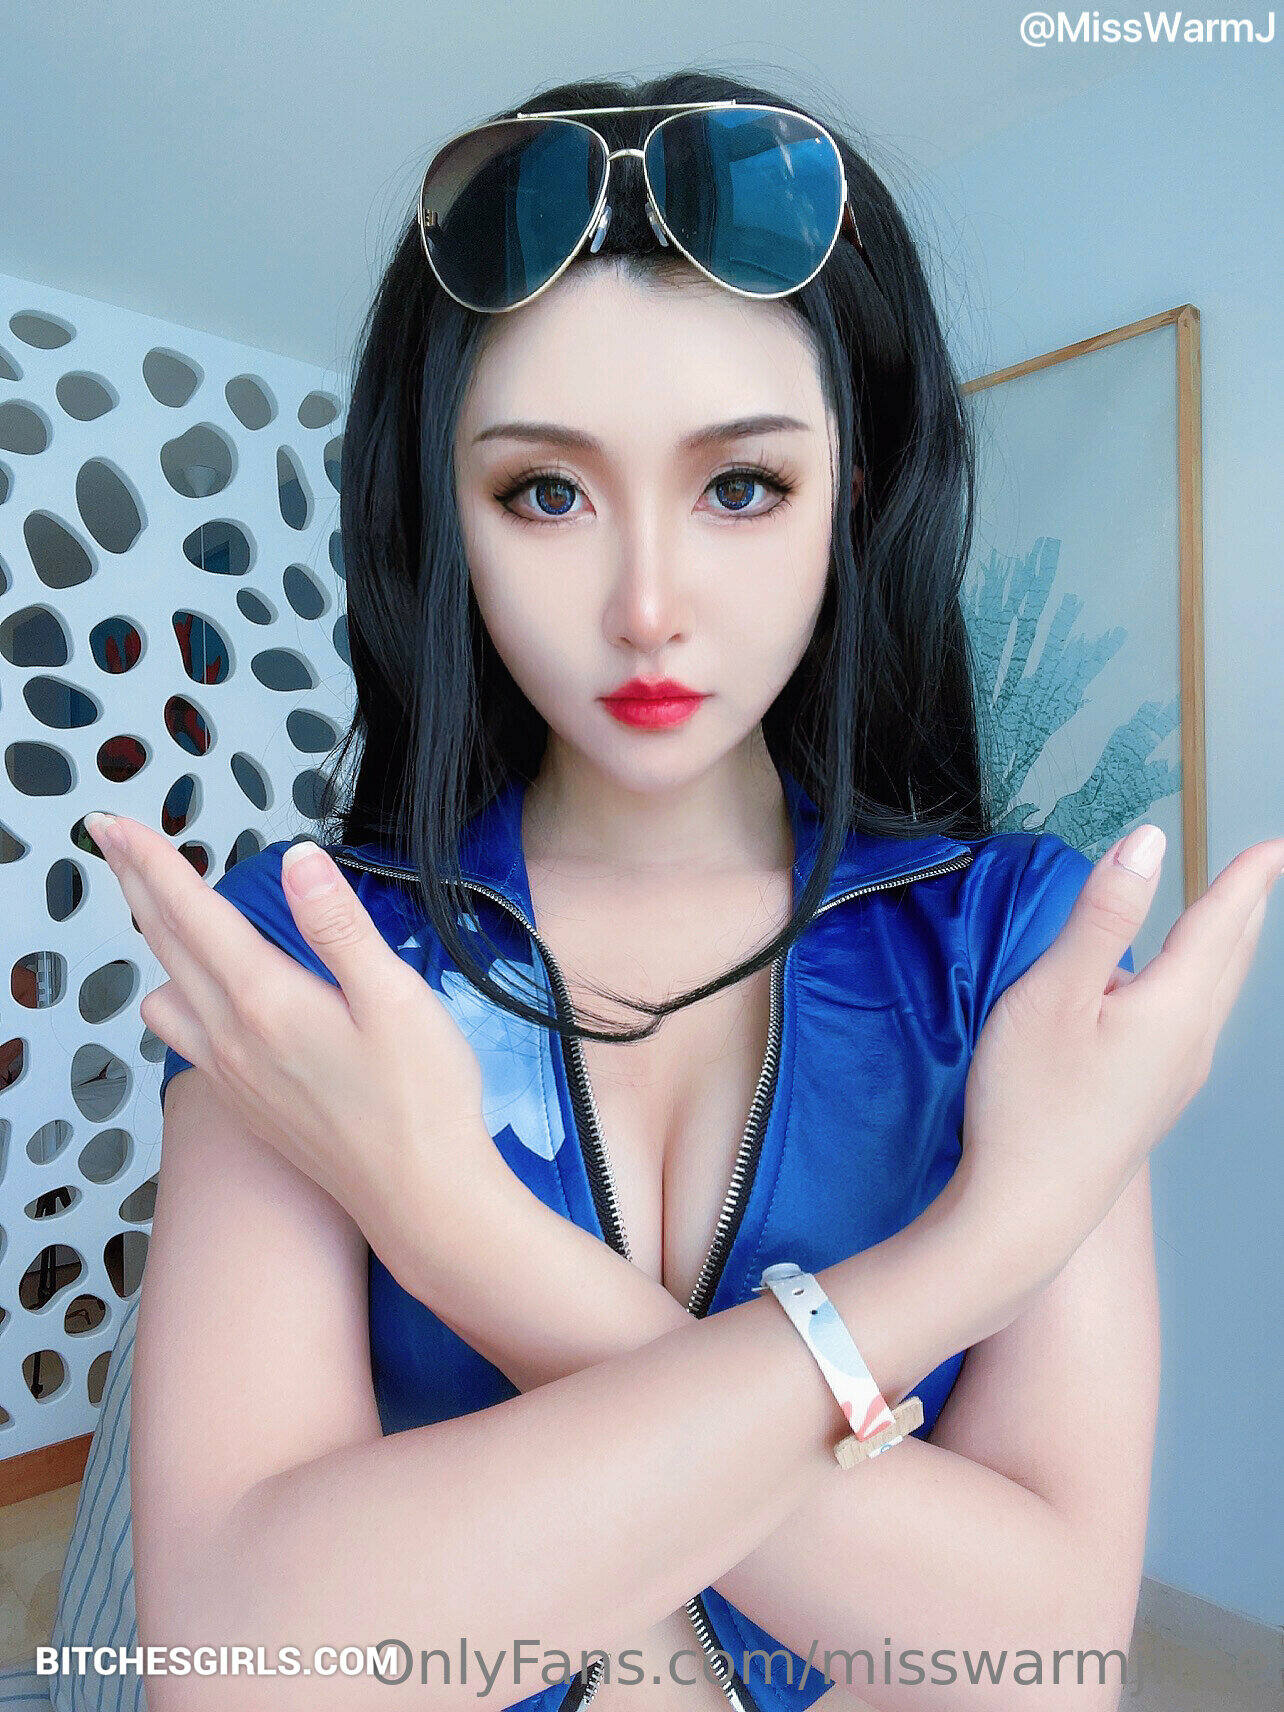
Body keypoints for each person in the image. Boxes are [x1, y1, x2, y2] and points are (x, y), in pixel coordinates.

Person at [71, 67, 1280, 1712]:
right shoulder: (304, 956)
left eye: (741, 486)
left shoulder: (1012, 943)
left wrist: (454, 1231)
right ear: (448, 518)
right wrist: (973, 1256)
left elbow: (1034, 1670)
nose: (648, 605)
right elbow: (245, 1672)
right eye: (545, 491)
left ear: (855, 493)